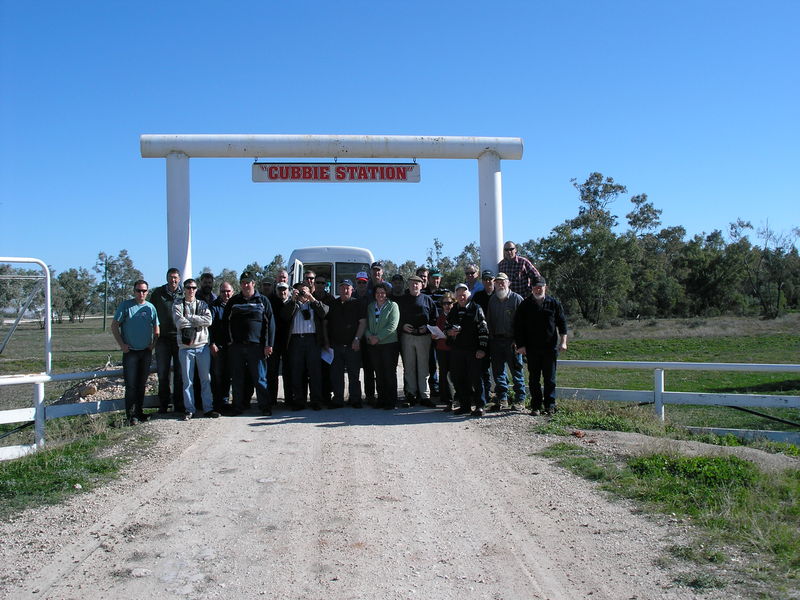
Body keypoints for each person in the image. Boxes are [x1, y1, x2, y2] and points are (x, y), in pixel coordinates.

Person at [221, 271, 275, 416]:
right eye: (243, 282)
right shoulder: (233, 301)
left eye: (248, 282)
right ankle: (237, 407)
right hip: (237, 347)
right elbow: (225, 322)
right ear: (240, 284)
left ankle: (264, 406)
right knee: (237, 378)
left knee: (260, 378)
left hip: (256, 347)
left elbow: (270, 324)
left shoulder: (262, 301)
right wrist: (229, 342)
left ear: (253, 283)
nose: (246, 285)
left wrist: (268, 344)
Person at [514, 276, 568, 415]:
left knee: (550, 378)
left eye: (540, 287)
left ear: (545, 287)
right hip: (531, 349)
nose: (538, 289)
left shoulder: (554, 303)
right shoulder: (525, 305)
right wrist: (521, 346)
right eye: (535, 287)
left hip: (550, 348)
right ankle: (536, 406)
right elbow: (518, 327)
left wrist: (563, 342)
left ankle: (550, 405)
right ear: (531, 288)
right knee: (534, 379)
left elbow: (562, 324)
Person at [111, 280, 159, 425]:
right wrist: (122, 345)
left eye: (144, 291)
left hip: (145, 352)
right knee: (131, 385)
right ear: (134, 291)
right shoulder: (126, 306)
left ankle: (139, 412)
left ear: (147, 292)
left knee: (141, 384)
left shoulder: (151, 308)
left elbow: (157, 329)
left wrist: (153, 345)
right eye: (138, 290)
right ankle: (131, 416)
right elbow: (114, 326)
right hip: (130, 352)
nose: (141, 293)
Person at [173, 278, 217, 420]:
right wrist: (198, 321)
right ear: (184, 289)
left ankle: (208, 409)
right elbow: (179, 322)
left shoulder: (202, 304)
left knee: (206, 379)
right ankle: (189, 409)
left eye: (193, 287)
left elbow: (208, 321)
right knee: (187, 381)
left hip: (202, 346)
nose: (191, 290)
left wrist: (190, 317)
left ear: (196, 289)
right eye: (188, 287)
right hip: (185, 348)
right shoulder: (177, 304)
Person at [282, 281, 328, 410]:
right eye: (300, 291)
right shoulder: (292, 304)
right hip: (296, 340)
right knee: (297, 372)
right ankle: (299, 401)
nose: (303, 293)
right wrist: (293, 300)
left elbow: (324, 312)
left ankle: (316, 400)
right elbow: (284, 316)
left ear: (310, 291)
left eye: (305, 290)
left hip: (312, 340)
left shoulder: (314, 304)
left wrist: (312, 298)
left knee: (315, 372)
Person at [445, 284, 489, 417]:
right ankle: (465, 406)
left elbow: (483, 329)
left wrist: (482, 348)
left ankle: (480, 406)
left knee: (476, 378)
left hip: (473, 350)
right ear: (455, 297)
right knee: (459, 378)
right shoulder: (453, 310)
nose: (461, 297)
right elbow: (446, 327)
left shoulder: (476, 308)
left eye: (464, 295)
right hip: (457, 350)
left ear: (468, 295)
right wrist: (449, 332)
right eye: (458, 295)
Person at [486, 273, 526, 411]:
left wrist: (518, 341)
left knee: (516, 372)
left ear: (508, 283)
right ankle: (502, 399)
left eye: (503, 282)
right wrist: (491, 339)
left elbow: (523, 323)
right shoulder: (492, 300)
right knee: (498, 372)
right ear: (495, 284)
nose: (500, 284)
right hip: (496, 341)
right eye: (497, 282)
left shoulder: (517, 299)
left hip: (512, 342)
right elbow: (489, 321)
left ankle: (520, 400)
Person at [398, 274, 438, 407]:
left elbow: (434, 318)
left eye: (417, 283)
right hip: (407, 337)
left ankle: (425, 395)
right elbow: (395, 318)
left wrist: (426, 328)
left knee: (423, 367)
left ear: (421, 285)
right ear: (408, 285)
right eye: (412, 283)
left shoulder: (427, 300)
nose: (414, 285)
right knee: (409, 367)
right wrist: (402, 325)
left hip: (423, 338)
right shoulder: (402, 300)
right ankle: (411, 394)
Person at [327, 280, 367, 408]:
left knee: (353, 374)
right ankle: (338, 399)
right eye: (342, 288)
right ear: (339, 290)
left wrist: (357, 339)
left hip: (352, 345)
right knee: (336, 374)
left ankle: (355, 399)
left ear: (352, 290)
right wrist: (328, 342)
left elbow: (363, 323)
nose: (345, 290)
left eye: (347, 288)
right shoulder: (333, 304)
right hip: (336, 346)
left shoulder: (357, 303)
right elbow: (326, 324)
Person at [149, 268, 184, 413]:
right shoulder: (158, 293)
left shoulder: (184, 293)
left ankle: (179, 404)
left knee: (179, 373)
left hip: (179, 339)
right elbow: (152, 313)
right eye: (170, 277)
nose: (173, 280)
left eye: (175, 277)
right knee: (162, 373)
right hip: (162, 339)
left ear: (179, 279)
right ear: (166, 278)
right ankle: (163, 405)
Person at [365, 283, 400, 410]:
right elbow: (366, 325)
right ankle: (381, 399)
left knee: (389, 373)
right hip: (373, 345)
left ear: (386, 294)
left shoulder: (393, 306)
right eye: (378, 292)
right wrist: (369, 336)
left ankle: (391, 400)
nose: (380, 295)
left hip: (389, 344)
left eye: (383, 292)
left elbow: (392, 326)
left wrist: (378, 337)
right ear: (374, 294)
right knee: (378, 373)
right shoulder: (370, 307)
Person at [209, 281, 234, 413]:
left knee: (228, 375)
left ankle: (225, 401)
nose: (226, 294)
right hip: (218, 347)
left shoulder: (236, 304)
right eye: (223, 291)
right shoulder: (214, 306)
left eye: (228, 291)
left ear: (232, 292)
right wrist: (211, 343)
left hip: (232, 347)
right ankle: (216, 402)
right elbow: (210, 327)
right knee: (217, 375)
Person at [267, 281, 293, 408]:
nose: (282, 292)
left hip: (288, 342)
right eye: (280, 290)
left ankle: (289, 399)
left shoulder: (292, 302)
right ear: (276, 291)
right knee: (272, 372)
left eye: (284, 289)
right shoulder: (272, 303)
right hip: (275, 342)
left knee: (288, 372)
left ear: (288, 290)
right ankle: (272, 400)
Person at [434, 291, 455, 411]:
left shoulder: (456, 315)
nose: (447, 305)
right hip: (441, 348)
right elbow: (438, 330)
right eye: (445, 303)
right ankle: (445, 398)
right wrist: (434, 335)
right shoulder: (441, 316)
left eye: (449, 303)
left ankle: (454, 398)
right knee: (443, 373)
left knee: (453, 373)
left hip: (452, 349)